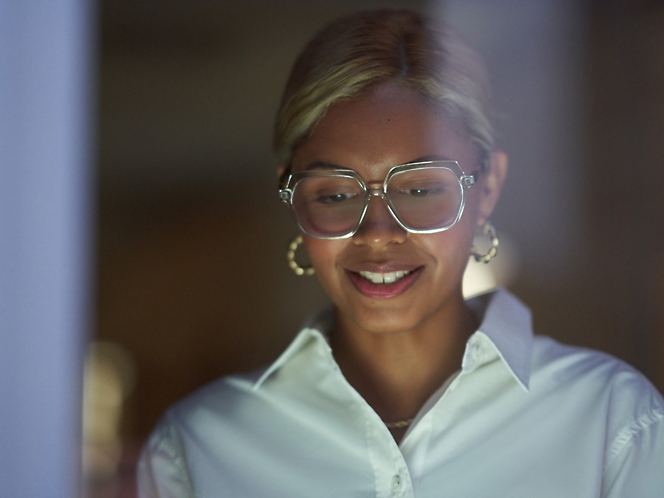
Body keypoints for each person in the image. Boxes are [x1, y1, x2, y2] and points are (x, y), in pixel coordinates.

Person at [137, 9, 664, 497]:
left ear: (487, 188)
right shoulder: (198, 450)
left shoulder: (612, 426)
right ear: (294, 197)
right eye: (336, 194)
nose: (377, 233)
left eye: (419, 188)